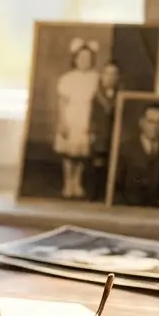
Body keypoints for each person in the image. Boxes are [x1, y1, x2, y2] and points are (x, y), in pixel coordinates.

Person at [54, 39, 101, 199]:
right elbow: (62, 102)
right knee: (69, 154)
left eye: (88, 58)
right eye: (81, 58)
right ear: (75, 59)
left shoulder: (96, 77)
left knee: (82, 154)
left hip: (87, 117)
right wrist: (63, 122)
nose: (84, 61)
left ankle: (77, 182)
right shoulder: (68, 78)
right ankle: (68, 182)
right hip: (71, 116)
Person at [113, 102, 159, 207]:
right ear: (141, 122)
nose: (155, 127)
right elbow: (116, 183)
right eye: (151, 122)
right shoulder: (125, 148)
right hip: (130, 206)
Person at [85, 61, 123, 201]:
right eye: (107, 74)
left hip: (114, 135)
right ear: (102, 76)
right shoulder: (97, 95)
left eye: (114, 74)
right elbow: (92, 116)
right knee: (97, 164)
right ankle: (95, 193)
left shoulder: (121, 95)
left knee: (111, 165)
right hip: (100, 136)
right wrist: (92, 132)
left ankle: (109, 195)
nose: (110, 77)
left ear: (118, 77)